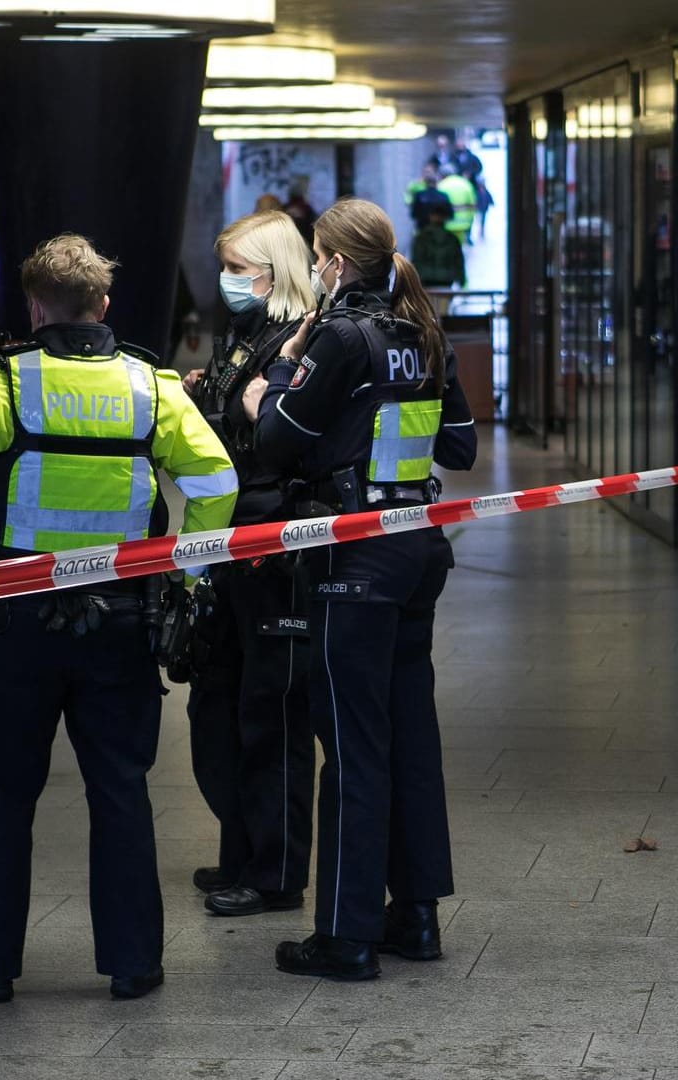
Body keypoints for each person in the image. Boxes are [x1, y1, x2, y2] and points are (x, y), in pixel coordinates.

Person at [0, 234, 238, 1003]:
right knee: (120, 789)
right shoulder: (150, 387)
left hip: (11, 616)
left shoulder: (0, 384)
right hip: (121, 617)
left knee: (0, 793)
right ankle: (133, 965)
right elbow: (216, 479)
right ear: (103, 306)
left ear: (35, 307)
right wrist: (183, 567)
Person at [241, 197, 478, 979]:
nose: (314, 269)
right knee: (410, 736)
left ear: (337, 265)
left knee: (351, 743)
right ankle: (415, 919)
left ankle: (344, 936)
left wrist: (273, 379)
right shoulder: (421, 333)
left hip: (354, 562)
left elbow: (275, 441)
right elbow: (461, 444)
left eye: (317, 257)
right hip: (416, 550)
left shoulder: (342, 336)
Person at [180, 211, 319, 917]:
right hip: (225, 541)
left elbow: (279, 442)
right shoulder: (246, 336)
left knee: (272, 715)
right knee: (217, 707)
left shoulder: (302, 341)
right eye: (225, 266)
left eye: (241, 268)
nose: (229, 280)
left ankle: (276, 874)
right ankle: (240, 850)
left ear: (276, 269)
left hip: (274, 546)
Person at [411, 205, 466, 289]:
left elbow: (416, 260)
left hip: (426, 279)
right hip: (446, 278)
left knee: (428, 301)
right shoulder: (452, 238)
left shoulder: (421, 237)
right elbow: (458, 261)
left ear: (430, 217)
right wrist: (461, 280)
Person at [436, 167, 478, 248]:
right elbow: (473, 205)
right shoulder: (466, 184)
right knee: (458, 246)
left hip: (446, 223)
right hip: (463, 223)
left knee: (446, 247)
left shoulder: (441, 185)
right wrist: (471, 220)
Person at [405, 162, 453, 231]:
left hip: (427, 228)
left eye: (430, 172)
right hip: (432, 228)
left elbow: (414, 214)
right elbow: (450, 214)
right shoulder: (416, 185)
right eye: (426, 172)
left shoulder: (421, 195)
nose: (428, 174)